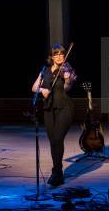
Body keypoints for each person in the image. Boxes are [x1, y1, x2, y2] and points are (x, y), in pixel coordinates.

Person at [31, 43, 77, 187]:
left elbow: (67, 87)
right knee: (53, 141)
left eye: (61, 54)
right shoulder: (45, 70)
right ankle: (58, 173)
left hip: (65, 108)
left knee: (57, 138)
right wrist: (41, 91)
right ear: (51, 56)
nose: (59, 57)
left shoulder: (66, 69)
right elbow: (34, 88)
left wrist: (68, 79)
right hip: (49, 109)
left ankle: (56, 172)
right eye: (56, 54)